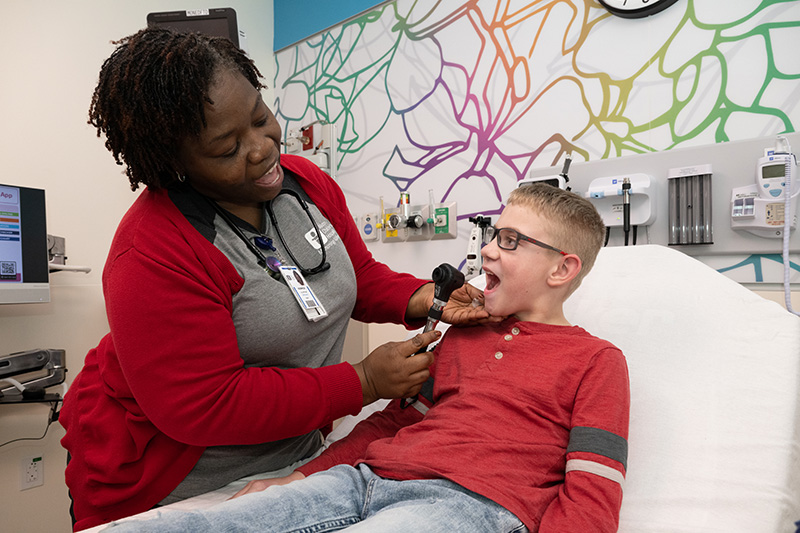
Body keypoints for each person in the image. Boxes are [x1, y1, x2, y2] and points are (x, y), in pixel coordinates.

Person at [60, 27, 490, 531]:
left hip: (293, 459)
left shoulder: (306, 184)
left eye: (261, 118)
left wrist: (426, 298)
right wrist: (364, 381)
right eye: (227, 148)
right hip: (168, 479)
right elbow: (205, 404)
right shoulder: (153, 253)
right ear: (173, 163)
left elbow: (359, 277)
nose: (263, 149)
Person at [101, 183, 630, 532]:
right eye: (494, 233)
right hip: (368, 478)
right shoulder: (461, 340)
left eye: (511, 242)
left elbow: (592, 493)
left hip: (469, 504)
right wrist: (304, 476)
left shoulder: (596, 362)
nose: (488, 249)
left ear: (562, 270)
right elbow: (388, 426)